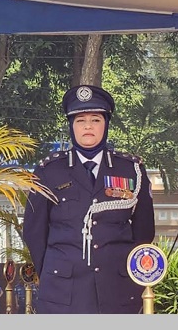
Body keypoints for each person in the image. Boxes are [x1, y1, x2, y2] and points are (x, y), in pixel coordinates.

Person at [23, 85, 155, 314]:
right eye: (80, 120)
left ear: (106, 125)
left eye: (95, 119)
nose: (88, 126)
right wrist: (56, 271)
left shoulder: (130, 170)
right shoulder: (48, 172)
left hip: (118, 289)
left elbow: (144, 231)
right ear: (71, 126)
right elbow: (34, 232)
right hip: (62, 292)